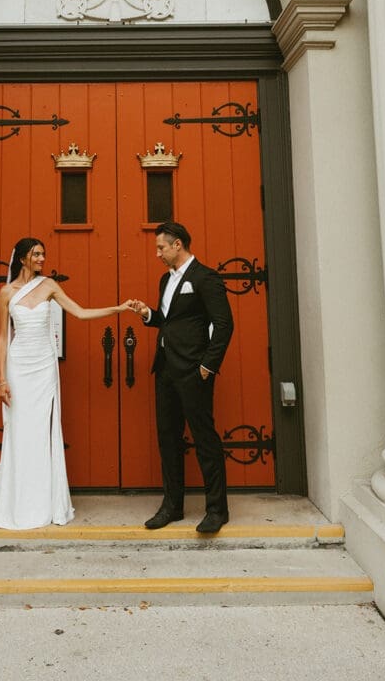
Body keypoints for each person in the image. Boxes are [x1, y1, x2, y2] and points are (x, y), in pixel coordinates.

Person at [0, 237, 133, 530]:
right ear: (23, 258)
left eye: (43, 254)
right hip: (18, 366)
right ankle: (17, 501)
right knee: (19, 431)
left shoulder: (50, 286)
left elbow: (79, 313)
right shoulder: (6, 292)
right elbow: (4, 336)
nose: (42, 258)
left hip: (44, 368)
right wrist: (1, 379)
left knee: (42, 432)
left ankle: (43, 502)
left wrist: (118, 309)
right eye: (37, 254)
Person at [130, 221, 234, 534]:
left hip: (194, 372)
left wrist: (208, 366)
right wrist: (147, 313)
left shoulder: (205, 278)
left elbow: (224, 324)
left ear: (178, 245)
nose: (158, 253)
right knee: (168, 439)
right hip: (165, 370)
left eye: (161, 247)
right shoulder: (166, 280)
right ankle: (172, 506)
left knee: (205, 439)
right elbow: (169, 321)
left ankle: (217, 510)